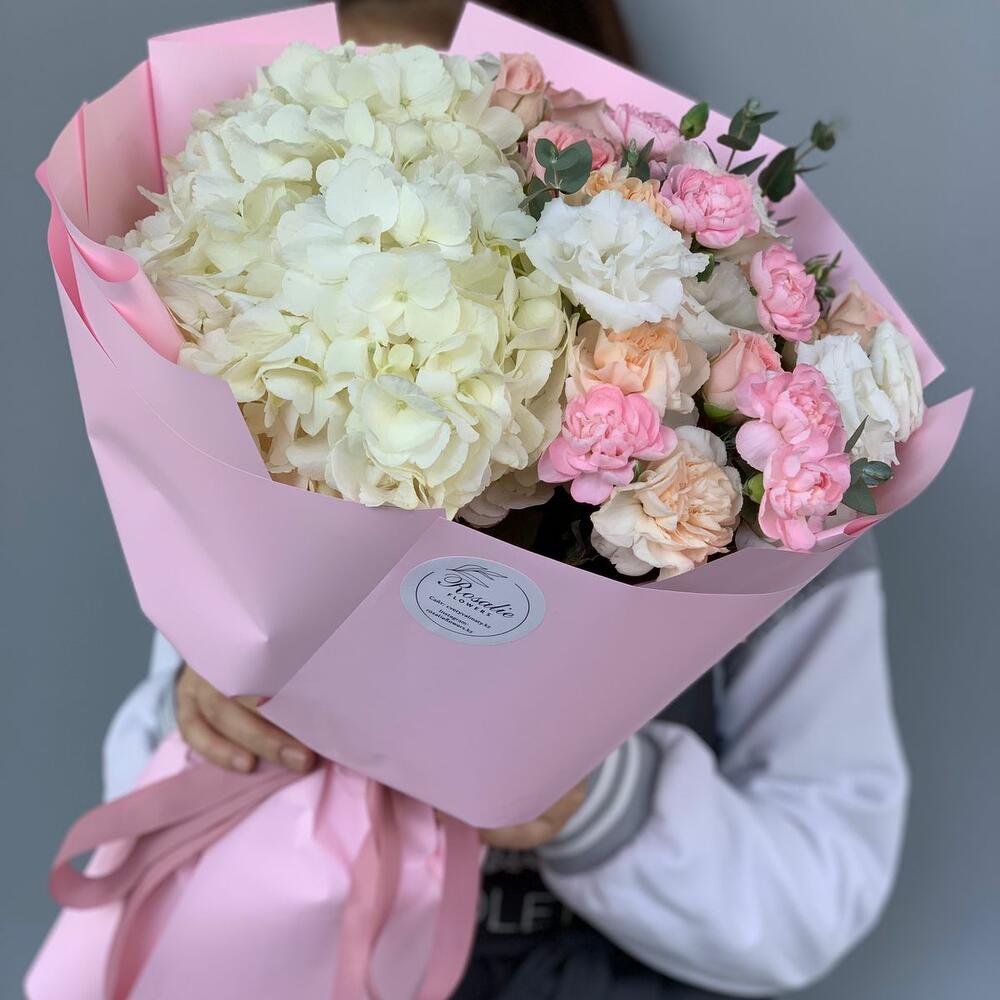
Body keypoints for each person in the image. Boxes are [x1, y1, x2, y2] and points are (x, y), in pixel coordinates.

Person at [101, 3, 909, 997]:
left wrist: (593, 802)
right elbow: (137, 812)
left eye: (445, 142)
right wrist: (199, 718)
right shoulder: (259, 443)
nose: (383, 178)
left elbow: (817, 894)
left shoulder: (772, 491)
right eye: (335, 150)